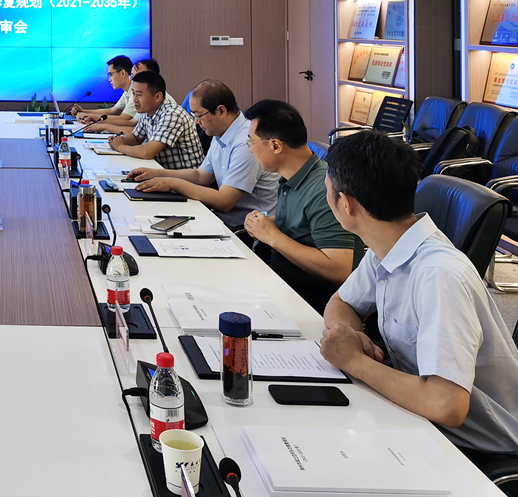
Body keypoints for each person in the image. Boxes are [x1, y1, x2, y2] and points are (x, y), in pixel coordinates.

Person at [319, 130, 518, 470]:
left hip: (481, 451)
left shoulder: (439, 275)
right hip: (417, 415)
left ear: (347, 204)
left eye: (327, 190)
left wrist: (355, 361)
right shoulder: (388, 244)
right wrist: (349, 336)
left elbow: (447, 405)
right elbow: (342, 303)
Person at [240, 100, 360, 314]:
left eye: (252, 142)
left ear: (275, 146)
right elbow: (302, 225)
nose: (250, 150)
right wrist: (266, 224)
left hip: (310, 303)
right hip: (281, 284)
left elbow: (339, 270)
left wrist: (272, 236)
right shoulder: (292, 175)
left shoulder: (323, 190)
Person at [128, 80, 278, 226]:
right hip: (223, 219)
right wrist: (156, 173)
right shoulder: (221, 132)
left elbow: (224, 201)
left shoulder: (246, 141)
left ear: (221, 111)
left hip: (246, 229)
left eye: (199, 115)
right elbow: (200, 176)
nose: (196, 122)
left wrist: (173, 183)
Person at [107, 71, 203, 169]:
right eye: (133, 94)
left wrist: (120, 147)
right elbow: (136, 138)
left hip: (183, 175)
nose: (134, 100)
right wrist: (121, 139)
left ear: (157, 97)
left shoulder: (172, 114)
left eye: (139, 95)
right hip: (161, 171)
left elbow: (147, 153)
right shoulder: (147, 112)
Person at [71, 55, 137, 130]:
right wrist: (84, 112)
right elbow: (112, 110)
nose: (109, 79)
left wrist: (92, 117)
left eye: (111, 74)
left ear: (123, 73)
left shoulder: (135, 92)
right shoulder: (127, 91)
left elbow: (124, 118)